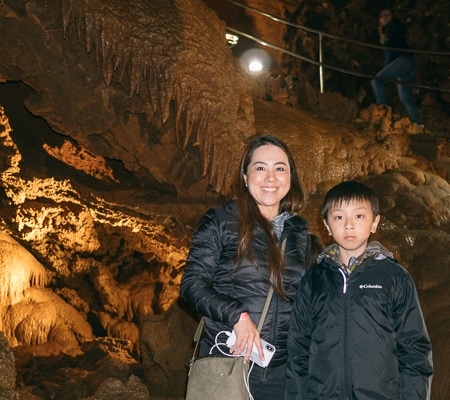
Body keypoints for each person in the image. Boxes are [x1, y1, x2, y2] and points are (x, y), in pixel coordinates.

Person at [180, 134, 312, 399]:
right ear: (244, 176)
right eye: (260, 167)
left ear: (291, 177)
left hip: (281, 370)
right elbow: (192, 285)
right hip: (229, 362)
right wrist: (237, 316)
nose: (270, 177)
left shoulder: (299, 232)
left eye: (280, 168)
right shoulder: (220, 220)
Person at [285, 180, 433, 400]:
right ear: (326, 225)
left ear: (375, 223)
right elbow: (298, 351)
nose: (348, 225)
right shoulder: (314, 280)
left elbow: (414, 350)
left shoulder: (394, 277)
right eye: (338, 217)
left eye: (359, 216)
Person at [371, 8, 423, 126]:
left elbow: (390, 52)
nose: (385, 17)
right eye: (382, 15)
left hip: (403, 61)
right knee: (405, 97)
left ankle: (382, 113)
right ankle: (418, 124)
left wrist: (386, 69)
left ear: (392, 16)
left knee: (377, 81)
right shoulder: (390, 29)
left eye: (387, 15)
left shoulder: (393, 27)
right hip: (407, 63)